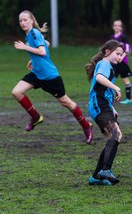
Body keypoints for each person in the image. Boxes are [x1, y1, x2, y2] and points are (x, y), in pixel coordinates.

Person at [12, 10, 93, 143]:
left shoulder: (34, 33)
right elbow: (46, 44)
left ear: (32, 20)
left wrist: (25, 48)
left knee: (66, 102)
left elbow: (43, 51)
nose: (22, 23)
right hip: (37, 74)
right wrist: (33, 60)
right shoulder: (29, 35)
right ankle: (36, 117)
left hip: (50, 77)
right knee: (17, 92)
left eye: (25, 20)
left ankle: (86, 126)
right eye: (20, 20)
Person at [85, 40, 127, 186]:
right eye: (117, 53)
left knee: (112, 137)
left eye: (121, 55)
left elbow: (104, 91)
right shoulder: (104, 63)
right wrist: (116, 87)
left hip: (104, 106)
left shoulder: (109, 66)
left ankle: (96, 177)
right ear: (107, 51)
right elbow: (99, 78)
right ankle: (105, 170)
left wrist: (112, 108)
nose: (119, 57)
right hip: (98, 106)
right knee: (116, 134)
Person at [110, 20, 132, 105]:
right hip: (114, 62)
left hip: (122, 62)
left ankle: (128, 99)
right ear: (113, 27)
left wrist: (121, 57)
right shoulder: (111, 37)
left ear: (121, 28)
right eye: (115, 25)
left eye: (118, 26)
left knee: (125, 79)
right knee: (111, 79)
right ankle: (110, 97)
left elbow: (127, 50)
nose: (117, 27)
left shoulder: (124, 37)